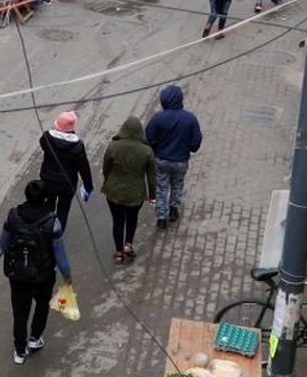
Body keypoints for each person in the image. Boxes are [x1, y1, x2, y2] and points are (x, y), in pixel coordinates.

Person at [0, 179, 73, 365]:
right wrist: (67, 276)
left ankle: (19, 351)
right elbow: (60, 254)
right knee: (41, 305)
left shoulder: (13, 216)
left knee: (20, 312)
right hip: (43, 274)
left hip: (17, 274)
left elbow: (3, 242)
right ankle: (35, 338)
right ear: (46, 198)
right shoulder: (52, 222)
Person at [144, 84, 202, 229]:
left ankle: (161, 217)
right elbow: (195, 143)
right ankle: (174, 208)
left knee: (161, 187)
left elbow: (149, 137)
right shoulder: (190, 119)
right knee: (177, 183)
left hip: (161, 160)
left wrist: (157, 148)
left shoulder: (158, 118)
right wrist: (187, 148)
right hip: (181, 160)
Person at [101, 116, 156, 263]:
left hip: (114, 191)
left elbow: (106, 167)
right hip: (135, 193)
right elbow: (151, 177)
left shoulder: (113, 146)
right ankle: (128, 244)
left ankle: (119, 253)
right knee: (132, 218)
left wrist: (108, 181)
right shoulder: (147, 151)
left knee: (117, 221)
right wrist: (152, 195)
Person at [38, 110, 93, 230]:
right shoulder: (77, 146)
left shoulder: (47, 137)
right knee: (63, 210)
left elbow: (42, 145)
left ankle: (44, 231)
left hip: (48, 180)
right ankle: (57, 235)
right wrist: (88, 186)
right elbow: (84, 168)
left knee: (47, 206)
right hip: (67, 184)